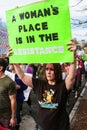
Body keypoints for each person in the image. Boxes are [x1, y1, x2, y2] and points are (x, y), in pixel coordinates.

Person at [12, 40, 76, 130]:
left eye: (51, 69)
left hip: (61, 126)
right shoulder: (39, 83)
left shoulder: (63, 85)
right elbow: (22, 76)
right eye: (47, 69)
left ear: (57, 71)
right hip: (43, 126)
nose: (48, 72)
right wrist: (14, 61)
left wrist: (73, 57)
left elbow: (71, 77)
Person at [7, 64, 28, 130]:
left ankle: (17, 125)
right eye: (9, 64)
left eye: (11, 64)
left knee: (16, 114)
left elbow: (26, 86)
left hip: (18, 98)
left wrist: (19, 87)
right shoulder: (7, 74)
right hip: (8, 98)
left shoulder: (20, 75)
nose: (9, 65)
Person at [0, 58, 16, 130]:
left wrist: (13, 117)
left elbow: (13, 101)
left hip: (5, 116)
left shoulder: (9, 82)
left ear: (1, 68)